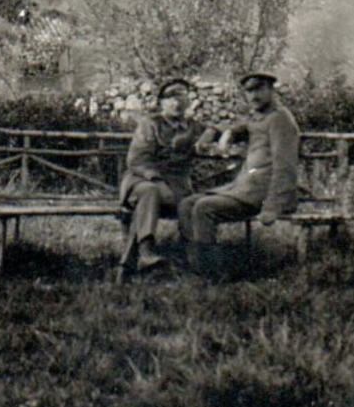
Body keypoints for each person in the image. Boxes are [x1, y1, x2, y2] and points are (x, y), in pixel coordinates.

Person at [178, 71, 300, 276]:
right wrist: (220, 132)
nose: (254, 96)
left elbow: (286, 166)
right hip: (245, 188)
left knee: (203, 208)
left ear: (271, 90)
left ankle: (210, 276)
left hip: (263, 193)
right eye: (249, 91)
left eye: (259, 89)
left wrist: (272, 207)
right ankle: (192, 266)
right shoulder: (259, 116)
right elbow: (239, 125)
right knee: (186, 204)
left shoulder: (280, 119)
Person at [118, 79, 216, 276]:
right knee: (150, 192)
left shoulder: (192, 126)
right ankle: (146, 251)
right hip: (141, 180)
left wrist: (210, 134)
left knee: (193, 203)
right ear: (161, 103)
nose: (176, 104)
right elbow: (137, 161)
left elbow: (222, 126)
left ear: (188, 102)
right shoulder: (151, 124)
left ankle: (189, 260)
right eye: (170, 99)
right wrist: (157, 181)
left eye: (181, 98)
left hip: (178, 186)